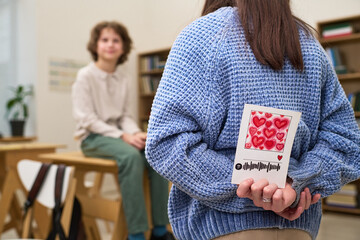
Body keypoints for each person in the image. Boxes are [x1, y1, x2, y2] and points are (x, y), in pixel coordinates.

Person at [145, 1, 360, 240]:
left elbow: (166, 141)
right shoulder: (310, 46)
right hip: (299, 228)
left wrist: (255, 187)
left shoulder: (202, 35)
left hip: (218, 228)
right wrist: (293, 184)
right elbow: (346, 142)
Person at [72, 21, 174, 240]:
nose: (110, 44)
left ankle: (159, 230)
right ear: (96, 45)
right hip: (92, 138)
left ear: (123, 46)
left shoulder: (124, 79)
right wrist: (123, 136)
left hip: (119, 136)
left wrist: (136, 133)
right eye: (105, 40)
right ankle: (136, 234)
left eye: (116, 40)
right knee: (130, 157)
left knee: (153, 152)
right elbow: (87, 119)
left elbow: (125, 116)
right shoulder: (85, 76)